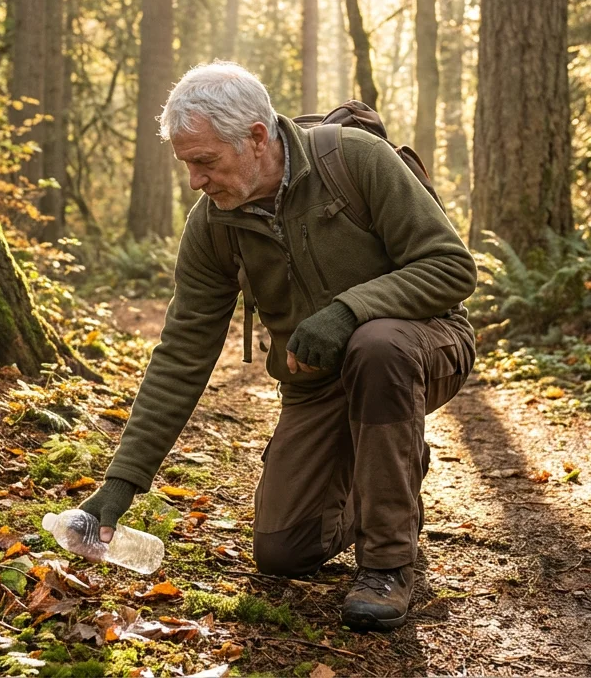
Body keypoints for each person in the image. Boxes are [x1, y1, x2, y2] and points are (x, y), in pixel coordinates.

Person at [80, 62, 477, 631]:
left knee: (376, 345)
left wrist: (346, 311)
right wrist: (119, 486)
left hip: (420, 347)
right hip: (318, 384)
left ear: (257, 138)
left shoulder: (356, 161)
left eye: (205, 161)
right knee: (282, 552)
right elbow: (181, 354)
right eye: (186, 163)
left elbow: (451, 267)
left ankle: (389, 566)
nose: (194, 180)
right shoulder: (213, 225)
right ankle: (385, 466)